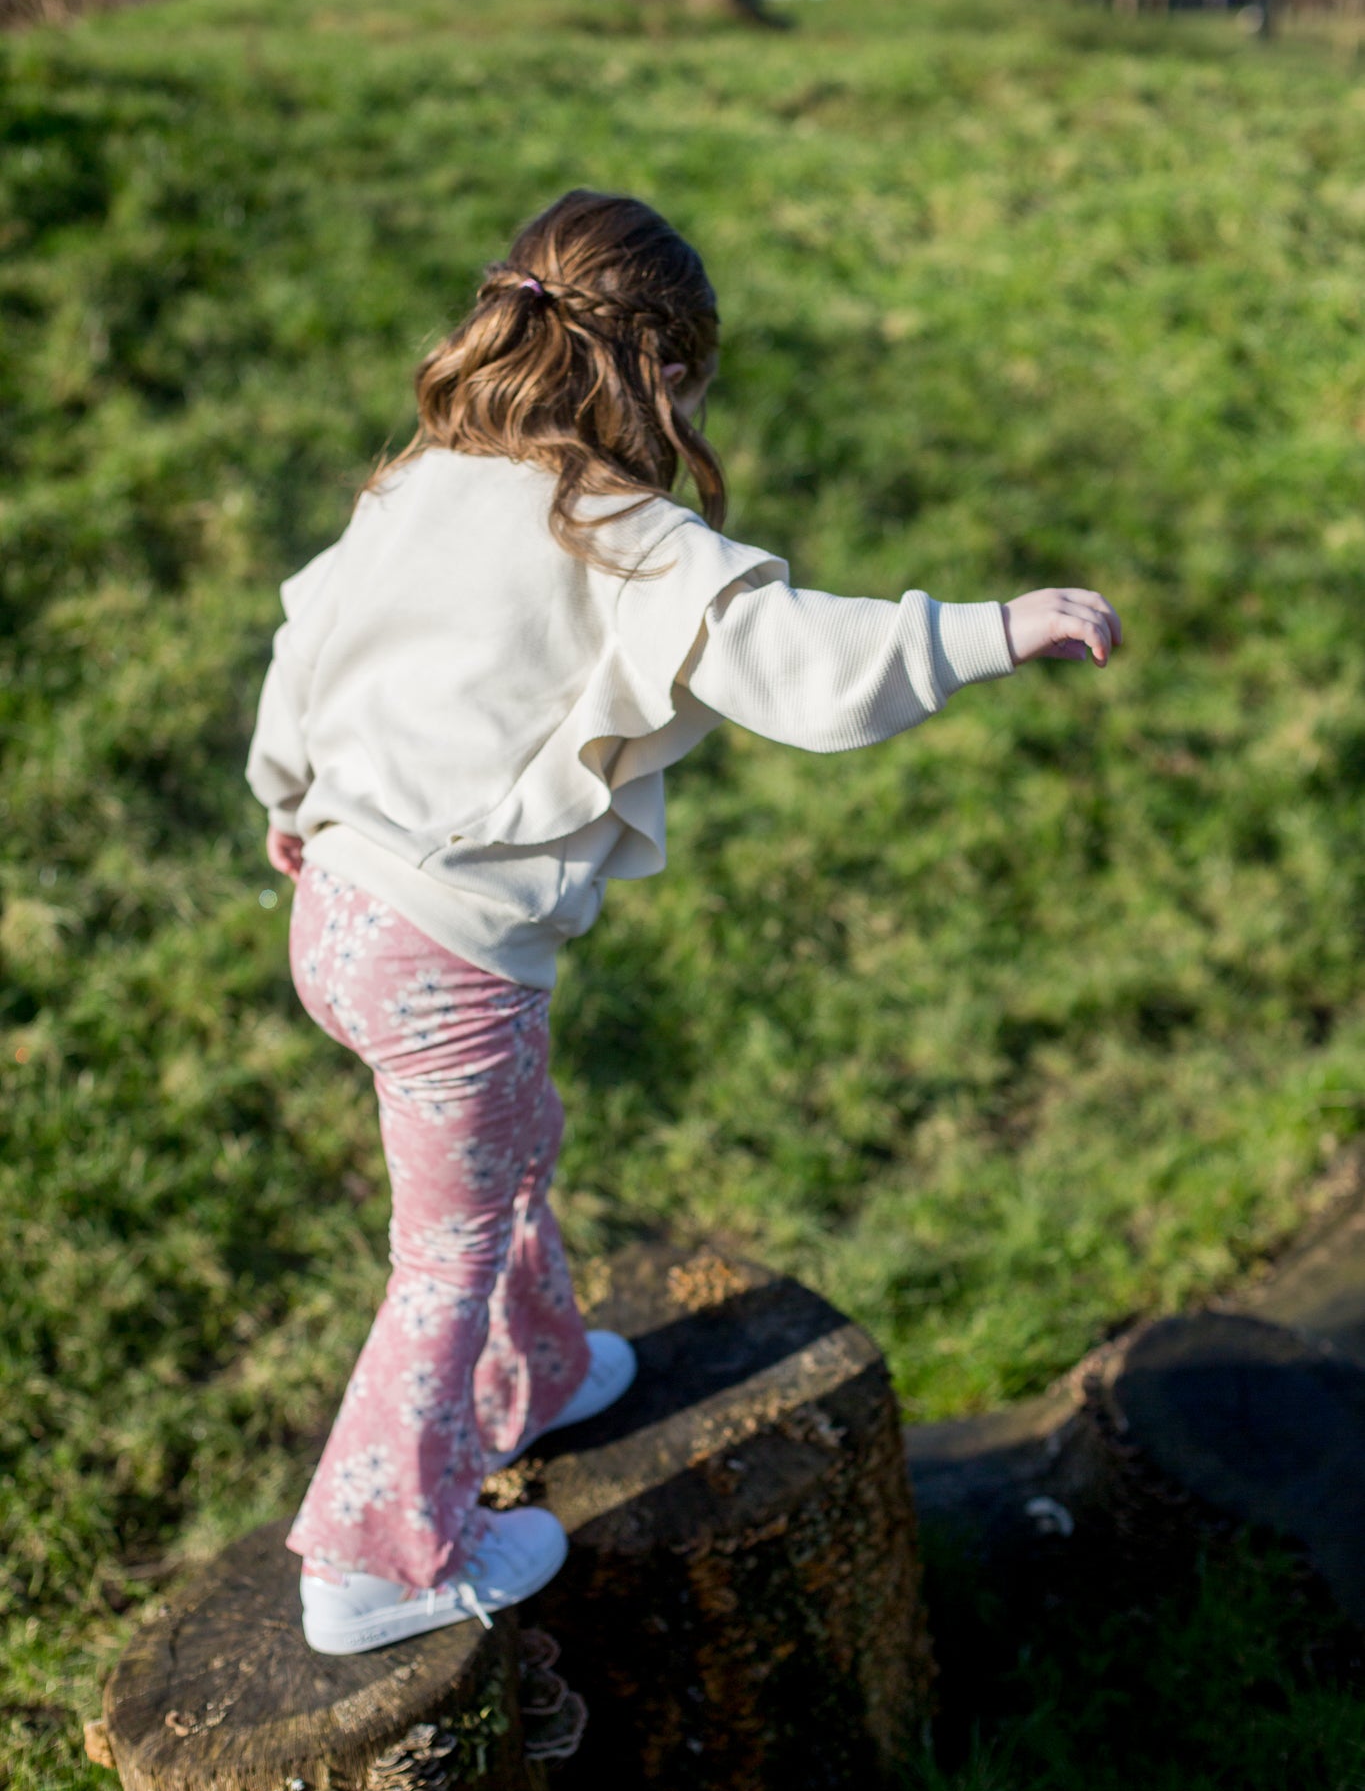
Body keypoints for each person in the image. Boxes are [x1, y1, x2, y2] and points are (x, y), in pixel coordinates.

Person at [246, 188, 1122, 1657]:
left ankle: (532, 1374)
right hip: (444, 952)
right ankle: (372, 1555)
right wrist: (988, 629)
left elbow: (305, 638)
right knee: (445, 1245)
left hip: (335, 906)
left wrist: (285, 787)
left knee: (513, 1146)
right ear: (660, 373)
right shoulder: (623, 538)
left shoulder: (415, 482)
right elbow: (800, 659)